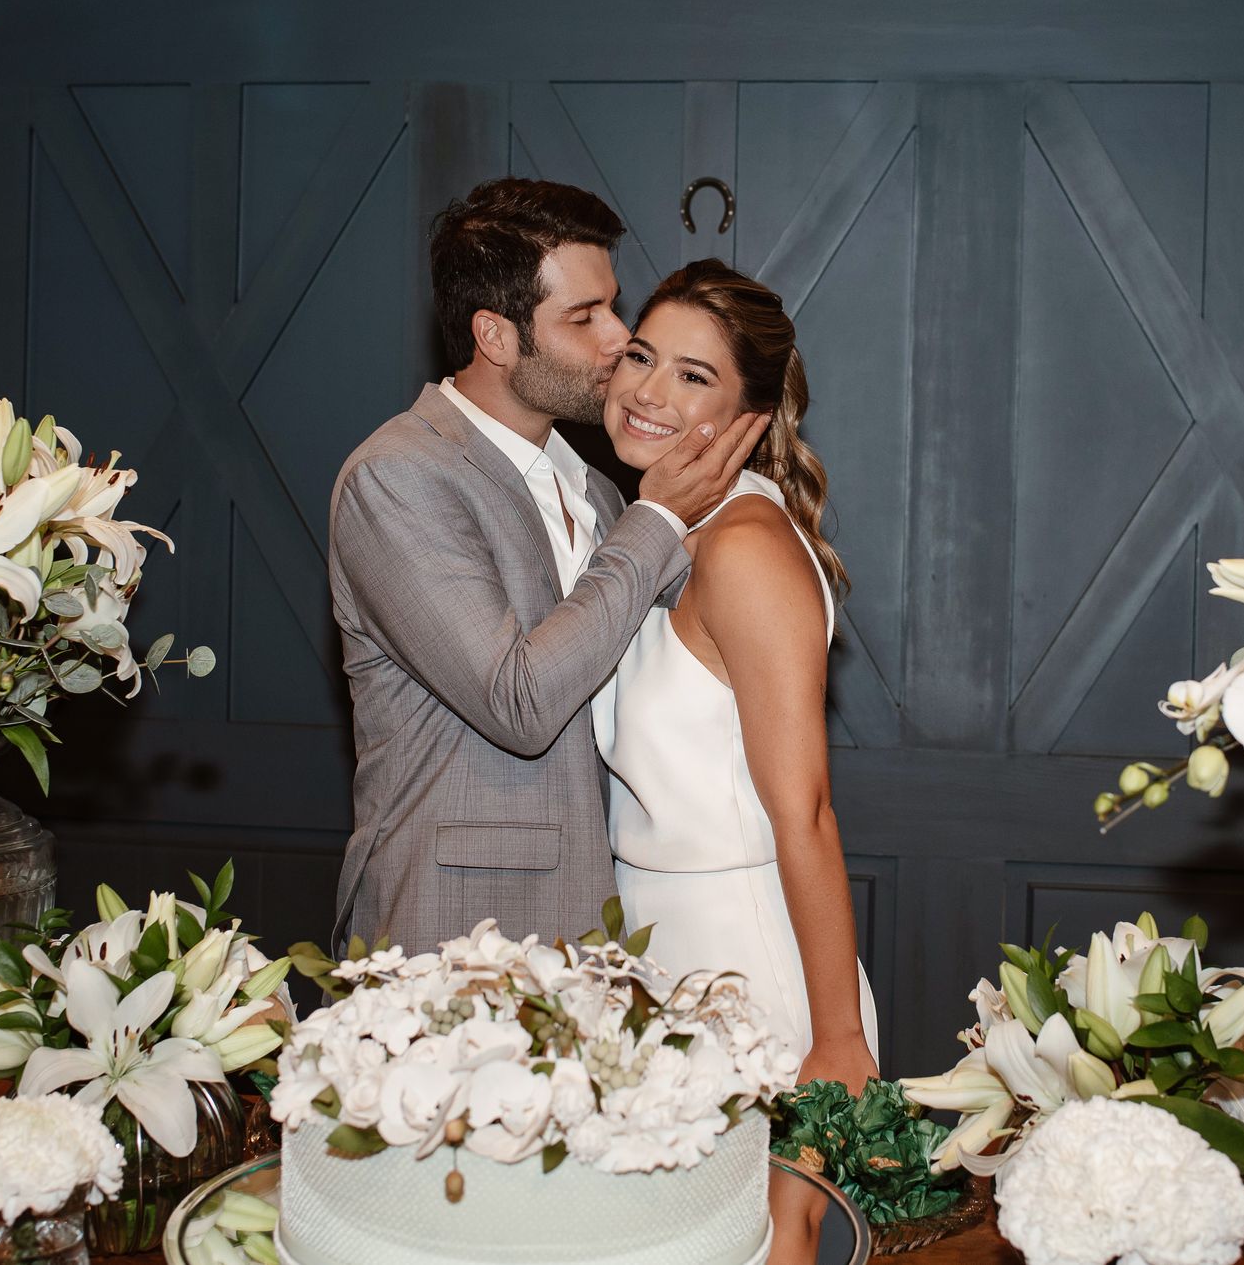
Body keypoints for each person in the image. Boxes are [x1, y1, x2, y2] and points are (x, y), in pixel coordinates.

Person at [326, 181, 769, 953]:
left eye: (613, 305)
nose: (619, 338)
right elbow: (519, 703)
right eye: (583, 317)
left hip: (597, 926)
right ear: (495, 337)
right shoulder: (396, 477)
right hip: (453, 932)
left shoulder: (592, 483)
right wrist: (660, 515)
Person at [593, 259, 879, 1093]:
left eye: (692, 376)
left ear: (748, 417)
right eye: (641, 356)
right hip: (653, 946)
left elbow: (808, 812)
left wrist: (837, 1038)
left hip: (739, 958)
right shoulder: (656, 530)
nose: (648, 392)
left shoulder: (745, 546)